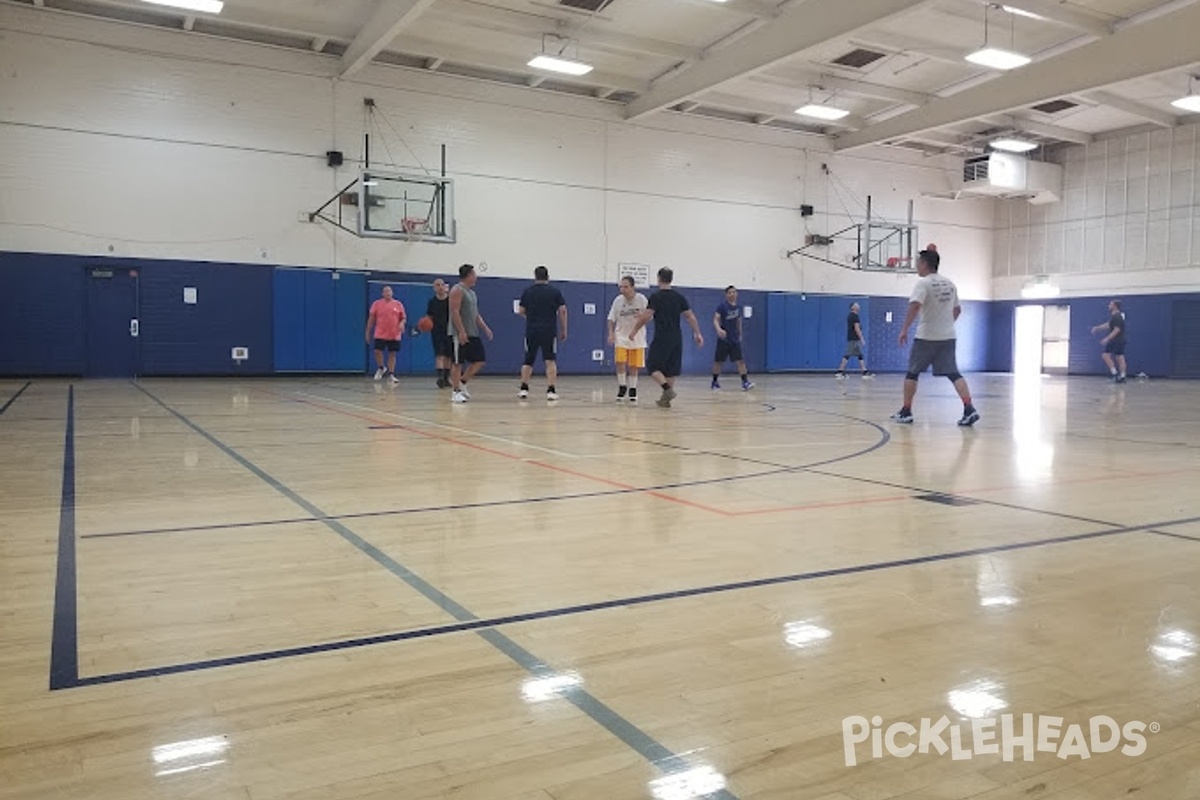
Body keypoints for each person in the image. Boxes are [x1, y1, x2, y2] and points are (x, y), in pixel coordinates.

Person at [891, 249, 979, 426]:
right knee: (954, 373)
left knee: (912, 373)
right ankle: (969, 408)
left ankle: (906, 411)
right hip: (948, 336)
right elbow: (957, 310)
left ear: (924, 264)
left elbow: (915, 306)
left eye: (918, 263)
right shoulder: (950, 283)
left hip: (926, 337)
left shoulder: (923, 284)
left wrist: (904, 329)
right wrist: (946, 324)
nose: (916, 266)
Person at [629, 268, 704, 408]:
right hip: (677, 337)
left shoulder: (656, 297)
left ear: (658, 278)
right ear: (671, 279)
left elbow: (647, 316)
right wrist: (697, 333)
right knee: (670, 369)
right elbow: (690, 316)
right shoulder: (679, 297)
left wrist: (634, 330)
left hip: (662, 337)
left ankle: (667, 390)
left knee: (652, 366)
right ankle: (666, 400)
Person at [518, 266, 568, 401]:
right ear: (548, 277)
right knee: (550, 360)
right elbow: (562, 311)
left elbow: (521, 311)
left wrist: (531, 318)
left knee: (528, 359)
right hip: (549, 330)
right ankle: (551, 390)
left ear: (535, 276)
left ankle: (524, 388)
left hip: (532, 330)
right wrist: (564, 329)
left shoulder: (528, 291)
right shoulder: (555, 292)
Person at [448, 264, 494, 404]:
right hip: (459, 333)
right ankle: (455, 392)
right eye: (474, 274)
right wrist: (461, 331)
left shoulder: (472, 293)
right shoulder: (457, 289)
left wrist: (485, 328)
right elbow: (454, 311)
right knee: (457, 363)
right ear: (468, 275)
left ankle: (462, 382)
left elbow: (475, 314)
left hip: (473, 332)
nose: (476, 277)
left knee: (480, 360)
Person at [607, 276, 648, 403]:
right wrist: (611, 334)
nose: (622, 289)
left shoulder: (641, 299)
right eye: (621, 287)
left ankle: (633, 388)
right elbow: (611, 318)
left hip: (637, 336)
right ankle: (622, 386)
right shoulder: (618, 300)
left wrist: (643, 316)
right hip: (621, 335)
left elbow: (650, 316)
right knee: (620, 361)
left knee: (634, 365)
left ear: (633, 287)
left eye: (625, 287)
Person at [711, 285, 754, 391]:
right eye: (730, 292)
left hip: (734, 339)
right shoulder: (722, 306)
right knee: (719, 362)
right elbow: (715, 319)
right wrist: (718, 329)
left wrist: (740, 333)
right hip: (724, 339)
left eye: (734, 292)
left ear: (737, 294)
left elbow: (738, 321)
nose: (732, 294)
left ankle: (745, 382)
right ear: (726, 295)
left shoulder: (738, 307)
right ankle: (715, 382)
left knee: (740, 361)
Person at [366, 285, 405, 385]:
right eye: (386, 291)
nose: (388, 293)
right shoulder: (377, 304)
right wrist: (368, 332)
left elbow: (403, 318)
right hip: (380, 333)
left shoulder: (398, 304)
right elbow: (371, 319)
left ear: (392, 293)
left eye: (389, 291)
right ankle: (381, 367)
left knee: (392, 354)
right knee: (377, 351)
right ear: (382, 293)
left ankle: (391, 374)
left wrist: (401, 323)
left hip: (394, 333)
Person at [1090, 299, 1127, 383]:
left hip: (1116, 340)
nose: (1108, 306)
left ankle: (1115, 375)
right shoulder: (1116, 316)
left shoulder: (1117, 316)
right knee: (1120, 357)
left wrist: (1107, 338)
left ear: (1115, 306)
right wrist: (1097, 328)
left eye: (1110, 304)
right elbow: (1108, 325)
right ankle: (1122, 377)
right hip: (1120, 340)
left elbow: (1117, 329)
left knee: (1105, 356)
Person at [835, 302, 875, 379]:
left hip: (853, 338)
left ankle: (864, 372)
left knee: (860, 355)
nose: (859, 306)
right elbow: (857, 328)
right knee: (848, 354)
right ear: (853, 307)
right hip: (854, 339)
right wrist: (862, 338)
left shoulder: (851, 316)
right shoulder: (854, 316)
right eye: (856, 305)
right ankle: (839, 372)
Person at [427, 278, 452, 388]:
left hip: (450, 331)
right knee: (439, 355)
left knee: (448, 356)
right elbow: (429, 316)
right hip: (436, 331)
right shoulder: (432, 302)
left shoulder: (451, 300)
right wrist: (426, 324)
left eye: (442, 285)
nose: (440, 287)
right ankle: (440, 378)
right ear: (434, 288)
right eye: (437, 285)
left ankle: (446, 378)